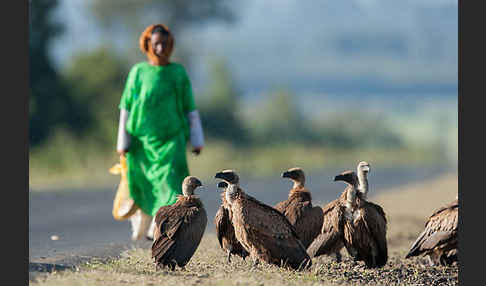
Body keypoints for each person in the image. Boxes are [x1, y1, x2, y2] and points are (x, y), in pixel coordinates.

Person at [116, 24, 204, 241]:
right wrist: (122, 142)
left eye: (164, 44)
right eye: (156, 44)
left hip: (172, 139)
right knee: (144, 183)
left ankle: (165, 226)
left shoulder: (177, 73)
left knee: (172, 181)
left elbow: (189, 107)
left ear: (170, 45)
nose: (160, 48)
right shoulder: (138, 72)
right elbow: (126, 108)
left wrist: (197, 139)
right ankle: (147, 227)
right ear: (148, 45)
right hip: (141, 142)